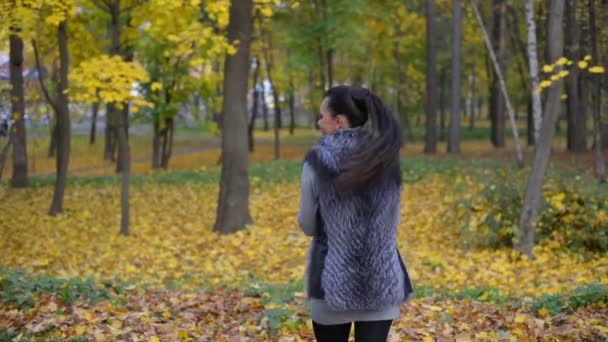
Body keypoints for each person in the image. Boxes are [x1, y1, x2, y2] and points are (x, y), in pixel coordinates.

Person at [297, 85, 414, 342]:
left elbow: (307, 225)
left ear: (338, 121)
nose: (319, 122)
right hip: (380, 280)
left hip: (331, 283)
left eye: (322, 116)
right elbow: (393, 221)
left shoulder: (317, 160)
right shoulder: (385, 158)